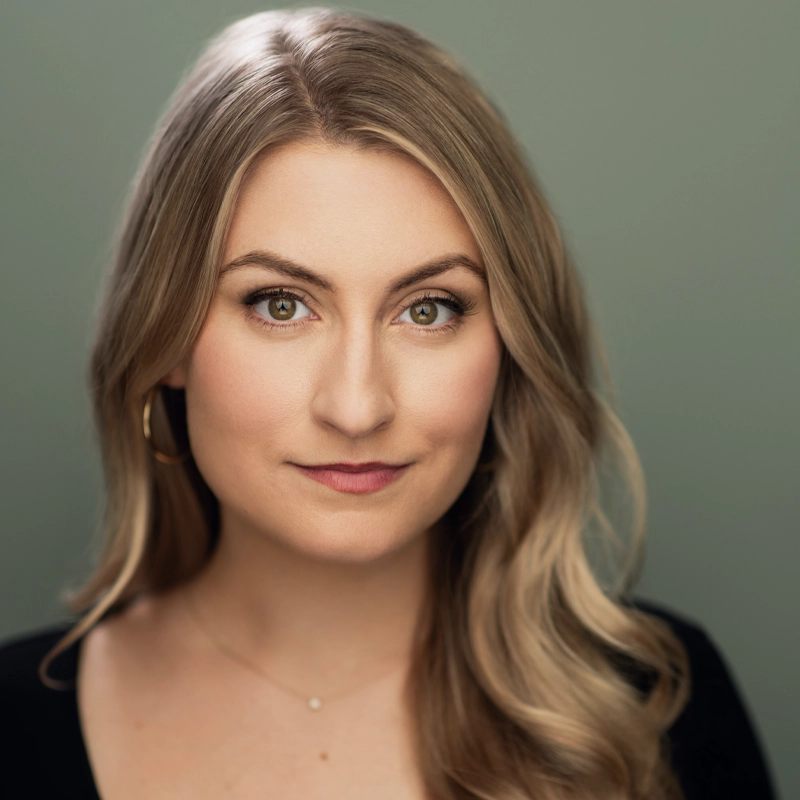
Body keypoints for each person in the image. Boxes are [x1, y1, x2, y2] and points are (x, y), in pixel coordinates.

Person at [0, 7, 776, 799]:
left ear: (509, 346)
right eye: (279, 304)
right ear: (165, 337)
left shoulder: (657, 709)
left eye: (429, 308)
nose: (357, 406)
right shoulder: (11, 728)